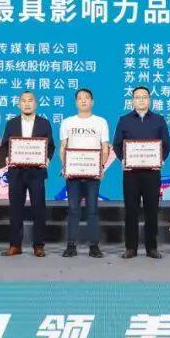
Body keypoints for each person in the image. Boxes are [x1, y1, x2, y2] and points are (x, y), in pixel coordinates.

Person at [112, 86, 170, 259]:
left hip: (152, 172)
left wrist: (160, 159)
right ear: (132, 100)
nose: (141, 100)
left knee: (151, 209)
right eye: (137, 97)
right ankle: (131, 247)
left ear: (149, 100)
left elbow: (166, 144)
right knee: (131, 210)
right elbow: (117, 144)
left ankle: (152, 247)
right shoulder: (124, 120)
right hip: (131, 173)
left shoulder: (159, 120)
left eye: (144, 97)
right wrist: (124, 160)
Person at [0, 91, 56, 257]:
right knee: (15, 209)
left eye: (30, 100)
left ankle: (38, 245)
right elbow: (4, 145)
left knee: (39, 209)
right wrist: (7, 157)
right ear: (19, 104)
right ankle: (15, 245)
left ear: (35, 104)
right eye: (23, 101)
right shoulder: (11, 123)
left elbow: (50, 146)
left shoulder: (44, 123)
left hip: (37, 172)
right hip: (16, 172)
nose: (27, 103)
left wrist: (46, 159)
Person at [59, 88, 110, 258]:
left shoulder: (101, 122)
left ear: (92, 102)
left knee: (92, 209)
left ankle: (94, 246)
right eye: (79, 98)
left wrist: (101, 166)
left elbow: (104, 148)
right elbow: (63, 147)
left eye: (86, 98)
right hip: (73, 173)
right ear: (75, 102)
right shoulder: (67, 122)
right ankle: (71, 245)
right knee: (73, 209)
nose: (83, 101)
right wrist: (65, 166)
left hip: (93, 173)